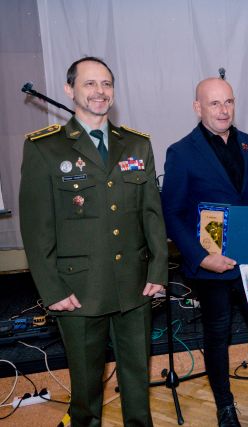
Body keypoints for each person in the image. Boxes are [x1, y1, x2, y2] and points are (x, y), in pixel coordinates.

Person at [19, 57, 168, 426]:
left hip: (135, 284)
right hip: (78, 289)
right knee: (85, 393)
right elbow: (37, 229)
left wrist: (158, 271)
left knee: (137, 385)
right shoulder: (45, 147)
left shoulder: (136, 144)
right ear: (69, 90)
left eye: (106, 84)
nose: (100, 92)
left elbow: (152, 215)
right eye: (90, 84)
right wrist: (52, 289)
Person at [161, 77, 248, 427]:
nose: (223, 110)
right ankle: (225, 408)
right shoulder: (181, 152)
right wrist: (201, 257)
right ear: (198, 107)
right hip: (211, 265)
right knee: (218, 334)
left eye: (228, 102)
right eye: (214, 103)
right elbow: (172, 214)